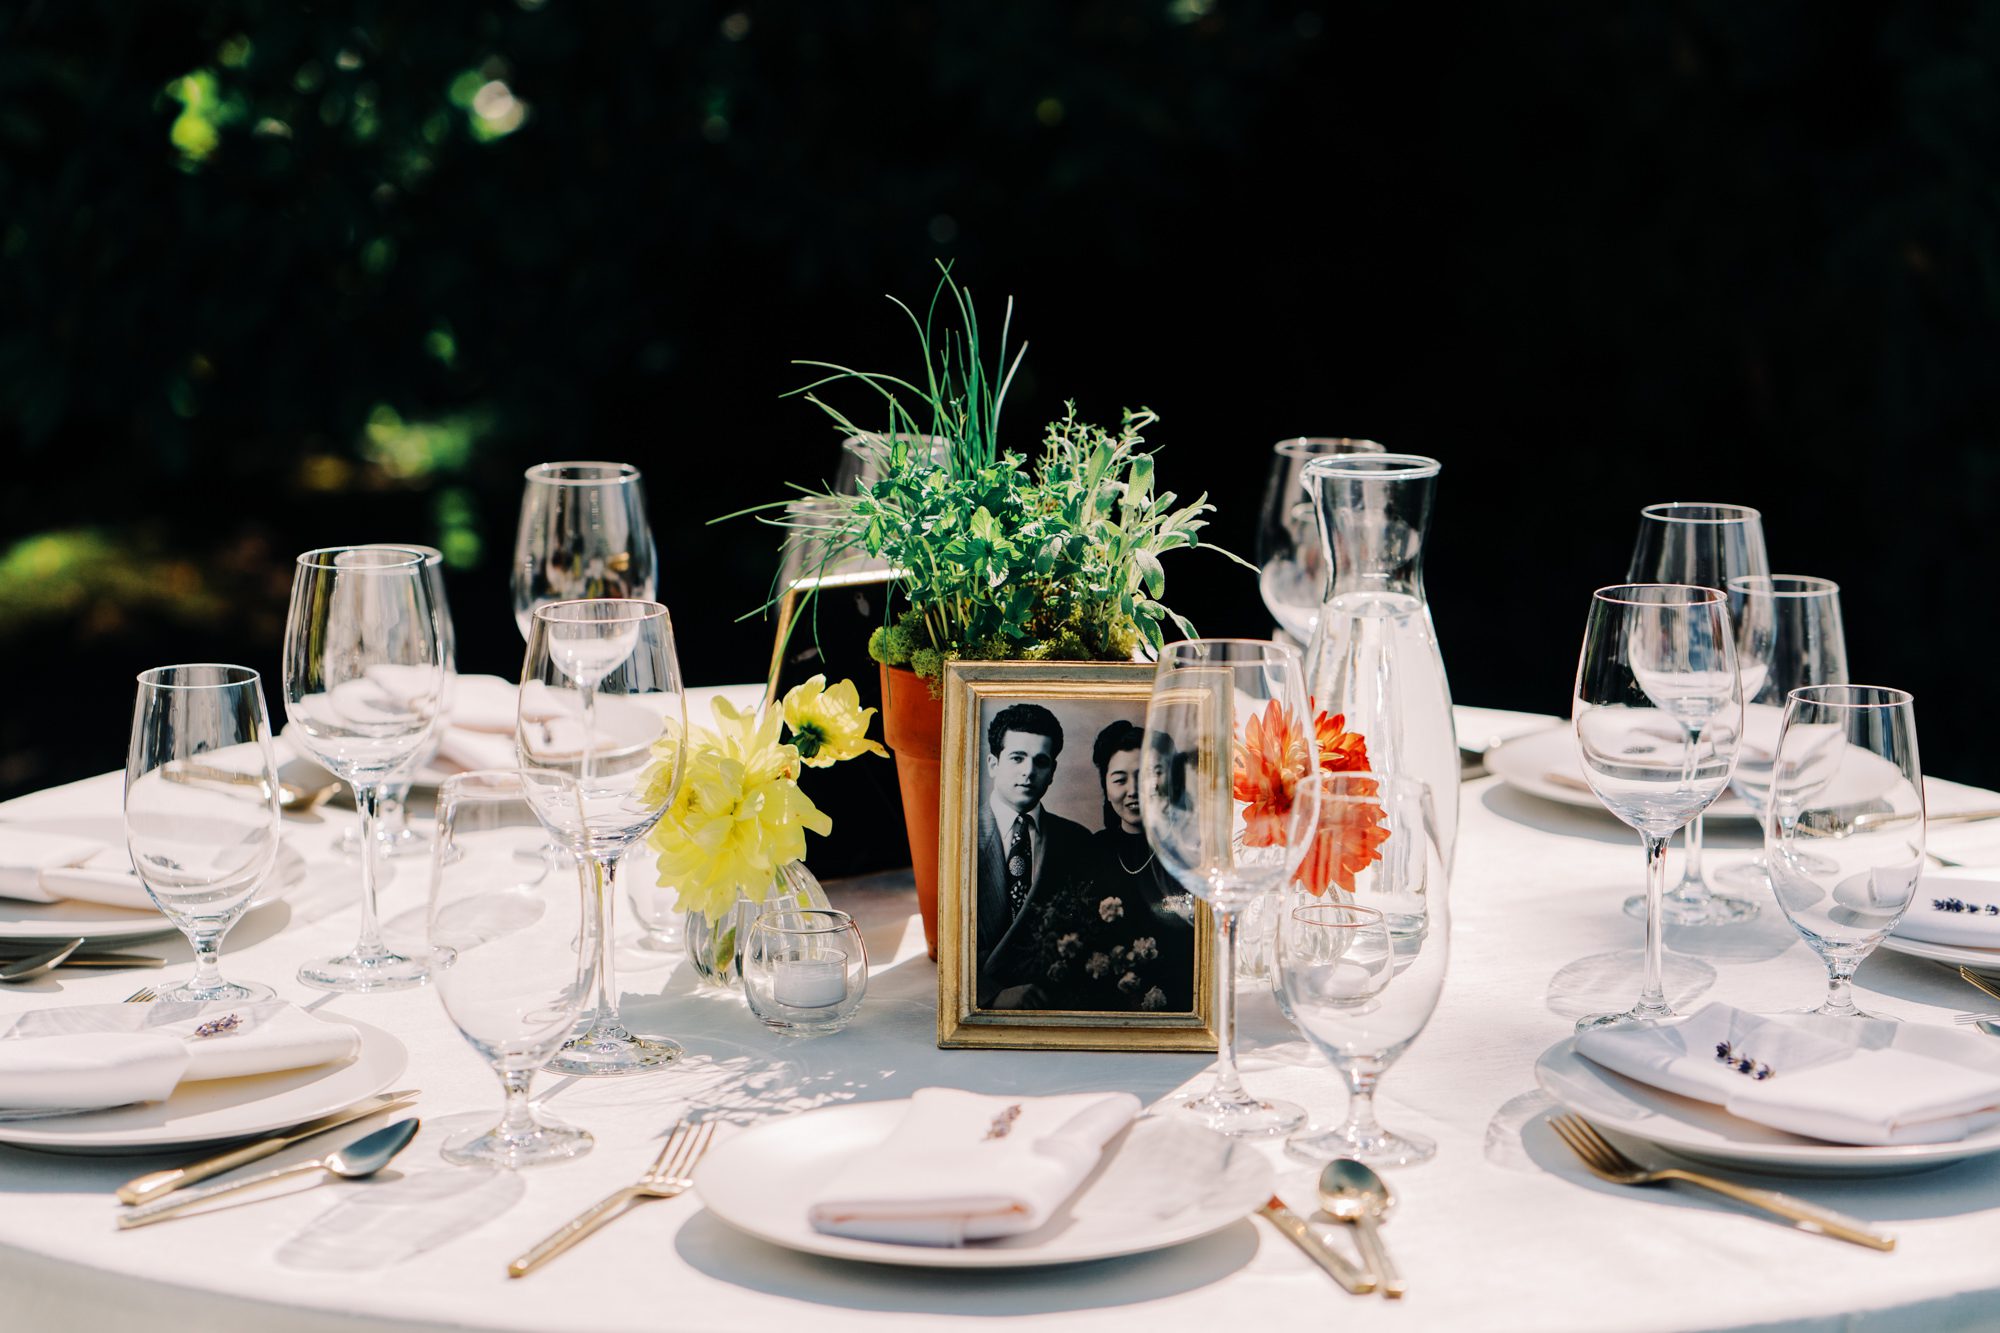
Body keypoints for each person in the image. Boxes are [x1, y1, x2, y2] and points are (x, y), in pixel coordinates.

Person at [975, 702, 1093, 1008]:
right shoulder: (961, 835)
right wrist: (990, 994)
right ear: (992, 763)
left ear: (1052, 772)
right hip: (981, 1008)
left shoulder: (1077, 841)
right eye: (1017, 758)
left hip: (1052, 1004)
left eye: (1040, 761)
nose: (1028, 771)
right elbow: (949, 935)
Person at [1083, 720, 1196, 1011]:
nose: (1134, 790)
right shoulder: (1089, 852)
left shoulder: (1191, 854)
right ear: (1106, 788)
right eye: (1120, 780)